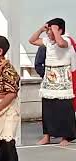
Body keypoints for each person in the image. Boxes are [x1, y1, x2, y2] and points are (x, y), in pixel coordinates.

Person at [29, 18, 76, 146]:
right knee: (48, 108)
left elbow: (61, 44)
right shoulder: (47, 41)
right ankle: (47, 135)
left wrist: (55, 31)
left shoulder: (66, 40)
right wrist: (41, 29)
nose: (49, 32)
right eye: (48, 29)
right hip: (49, 78)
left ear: (60, 29)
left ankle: (66, 137)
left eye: (52, 29)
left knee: (64, 109)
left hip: (63, 79)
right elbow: (32, 40)